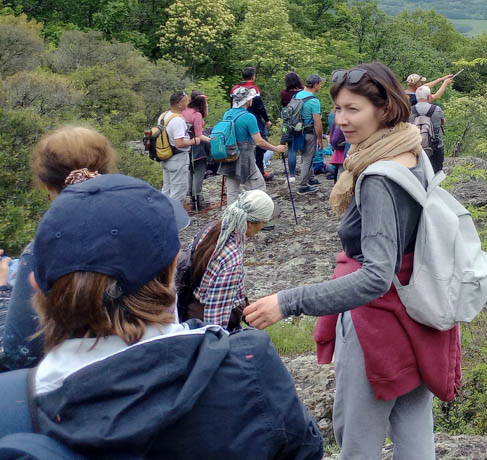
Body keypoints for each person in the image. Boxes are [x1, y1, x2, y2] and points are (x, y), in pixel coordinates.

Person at [245, 62, 460, 460]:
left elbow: (376, 276)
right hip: (420, 316)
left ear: (384, 109)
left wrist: (288, 301)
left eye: (353, 109)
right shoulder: (412, 150)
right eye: (338, 109)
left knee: (357, 440)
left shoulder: (378, 177)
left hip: (377, 325)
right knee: (414, 431)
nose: (341, 120)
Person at [24, 174, 324, 459]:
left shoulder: (19, 406)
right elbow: (304, 449)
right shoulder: (249, 364)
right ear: (170, 269)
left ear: (36, 283)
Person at [1, 127, 120, 370]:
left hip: (68, 382)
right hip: (136, 366)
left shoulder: (40, 250)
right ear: (106, 171)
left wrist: (3, 291)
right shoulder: (141, 228)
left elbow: (18, 354)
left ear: (46, 184)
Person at [178, 191, 275, 329]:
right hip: (204, 323)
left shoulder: (213, 228)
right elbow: (215, 320)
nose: (264, 226)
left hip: (189, 309)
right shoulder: (231, 258)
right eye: (264, 221)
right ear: (251, 222)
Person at [219, 86, 287, 201]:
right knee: (259, 188)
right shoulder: (249, 117)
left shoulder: (227, 114)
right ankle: (260, 214)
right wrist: (276, 148)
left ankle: (233, 216)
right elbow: (259, 141)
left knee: (232, 191)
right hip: (245, 158)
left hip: (229, 155)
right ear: (247, 100)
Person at [231, 65, 273, 182]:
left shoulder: (235, 89)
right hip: (253, 119)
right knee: (260, 145)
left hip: (237, 119)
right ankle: (260, 171)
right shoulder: (254, 89)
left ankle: (244, 172)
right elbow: (260, 107)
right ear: (253, 76)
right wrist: (267, 120)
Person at [158, 90, 199, 205]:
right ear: (179, 104)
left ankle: (162, 216)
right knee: (178, 192)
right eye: (186, 101)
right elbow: (179, 143)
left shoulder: (163, 116)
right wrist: (194, 141)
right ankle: (175, 220)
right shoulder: (178, 120)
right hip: (178, 159)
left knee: (166, 189)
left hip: (166, 156)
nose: (188, 104)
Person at [293, 74, 325, 195]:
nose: (320, 86)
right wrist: (320, 139)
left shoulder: (297, 95)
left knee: (304, 156)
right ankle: (302, 186)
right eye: (320, 83)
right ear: (316, 84)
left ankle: (310, 178)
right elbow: (317, 122)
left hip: (297, 131)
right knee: (308, 158)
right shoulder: (313, 100)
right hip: (309, 132)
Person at [182, 90, 213, 211]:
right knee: (198, 173)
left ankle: (192, 198)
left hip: (185, 147)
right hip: (197, 148)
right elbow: (199, 135)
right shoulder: (197, 115)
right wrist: (213, 141)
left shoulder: (184, 112)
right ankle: (197, 200)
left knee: (190, 172)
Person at [412, 85, 447, 175]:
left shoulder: (410, 110)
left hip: (416, 147)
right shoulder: (437, 109)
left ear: (416, 97)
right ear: (429, 96)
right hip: (436, 147)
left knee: (419, 174)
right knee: (436, 174)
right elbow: (443, 122)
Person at [280, 71, 304, 177]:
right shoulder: (302, 92)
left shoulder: (284, 93)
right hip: (301, 121)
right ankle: (306, 172)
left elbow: (284, 105)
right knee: (306, 149)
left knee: (291, 149)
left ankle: (292, 174)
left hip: (288, 123)